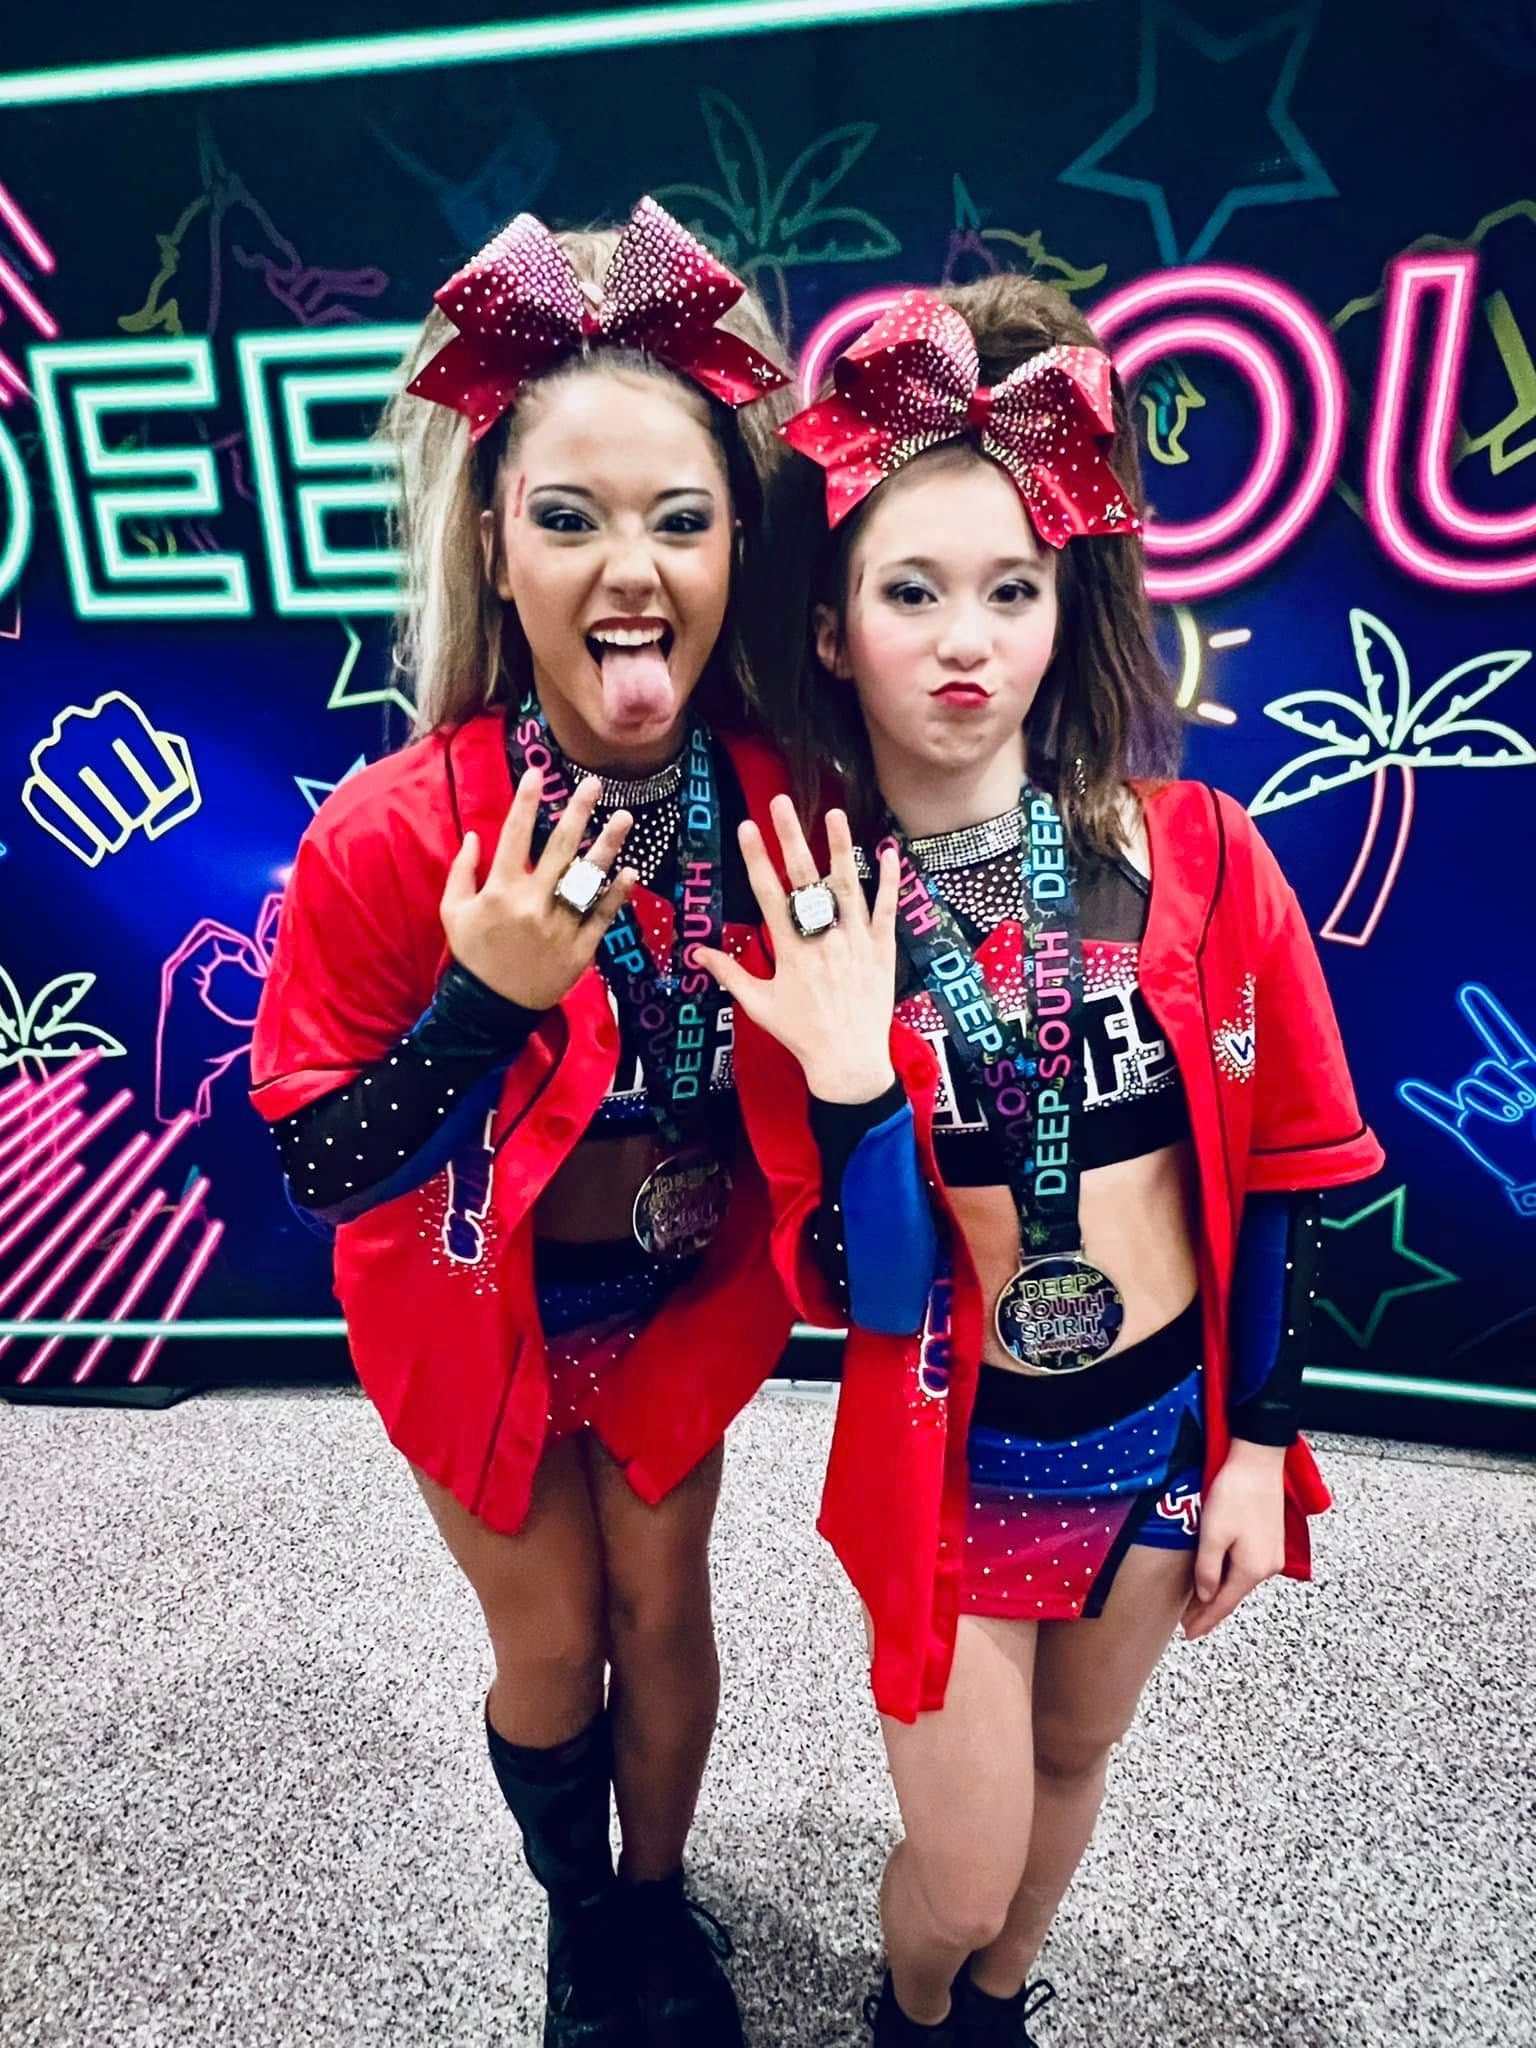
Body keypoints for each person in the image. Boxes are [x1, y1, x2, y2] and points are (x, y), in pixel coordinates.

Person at [697, 279, 1385, 2046]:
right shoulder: (821, 927)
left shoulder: (1204, 859)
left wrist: (1259, 1445)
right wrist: (853, 1086)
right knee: (957, 1874)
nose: (967, 641)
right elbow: (871, 1296)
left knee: (1076, 1769)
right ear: (834, 629)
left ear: (1068, 605)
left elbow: (1290, 1171)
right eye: (911, 591)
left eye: (1012, 589)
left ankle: (993, 2011)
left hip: (1163, 1439)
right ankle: (919, 2006)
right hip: (959, 1467)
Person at [250, 197, 804, 2048]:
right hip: (469, 1312)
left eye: (679, 518)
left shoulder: (789, 806)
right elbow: (318, 1162)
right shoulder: (392, 834)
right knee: (554, 1641)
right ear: (493, 544)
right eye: (569, 518)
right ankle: (583, 1924)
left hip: (681, 1305)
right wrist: (478, 1006)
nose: (629, 570)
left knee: (666, 1610)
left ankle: (653, 1903)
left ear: (738, 545)